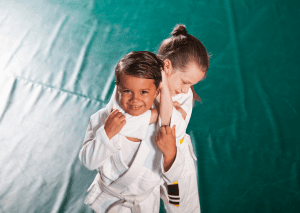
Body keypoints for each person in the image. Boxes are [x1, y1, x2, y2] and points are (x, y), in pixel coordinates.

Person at [79, 51, 183, 213]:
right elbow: (89, 162)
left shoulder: (168, 123)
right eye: (127, 91)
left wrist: (171, 154)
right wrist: (106, 134)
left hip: (145, 202)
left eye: (144, 92)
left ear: (157, 91)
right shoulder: (102, 119)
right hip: (110, 201)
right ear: (117, 88)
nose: (135, 99)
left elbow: (174, 177)